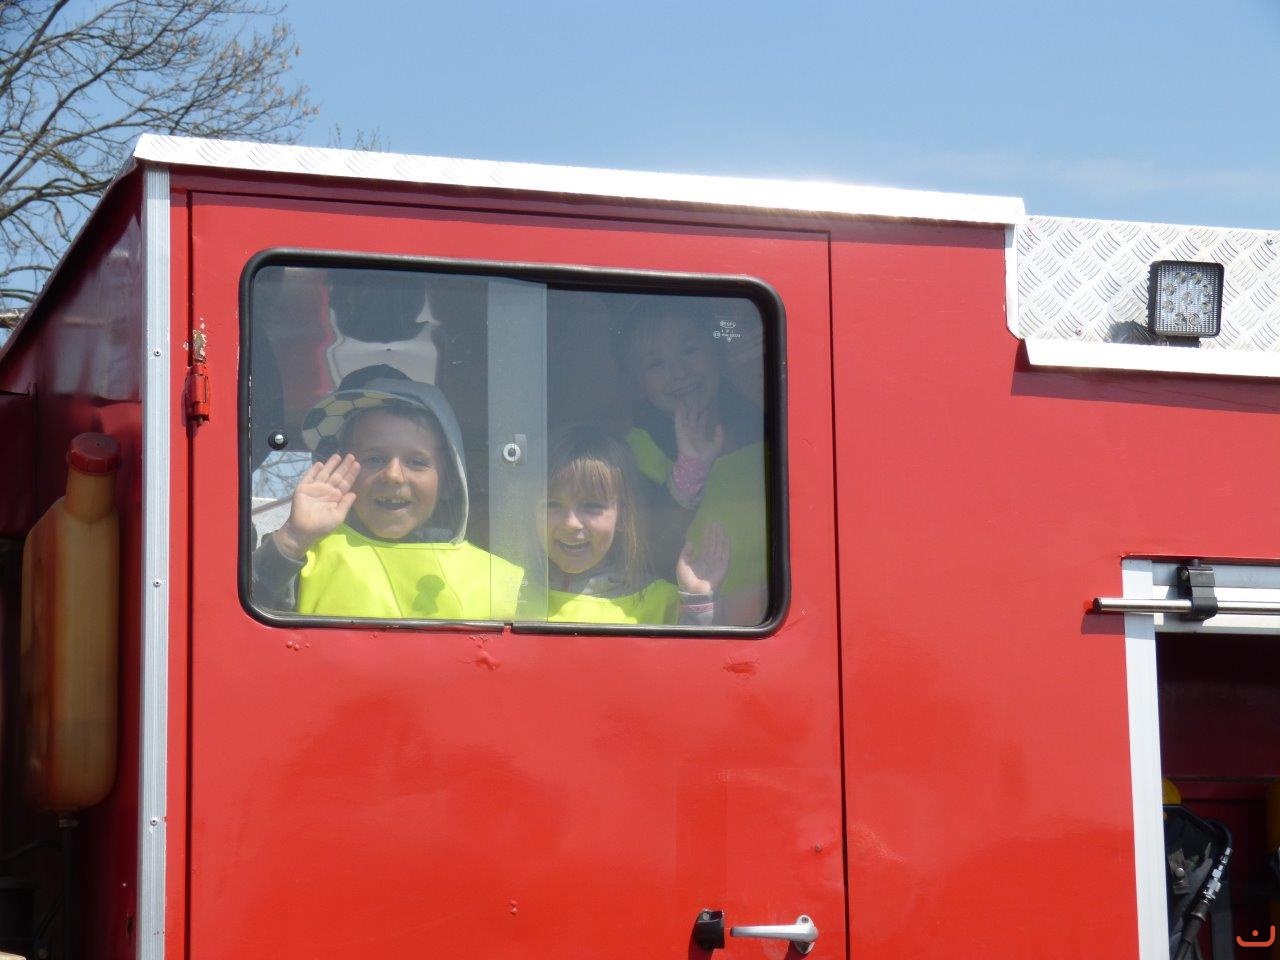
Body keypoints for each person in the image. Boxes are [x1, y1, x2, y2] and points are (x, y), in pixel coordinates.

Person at [252, 366, 522, 620]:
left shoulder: (498, 581)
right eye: (374, 459)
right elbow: (238, 619)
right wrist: (292, 539)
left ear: (450, 480)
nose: (393, 475)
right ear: (343, 473)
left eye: (416, 462)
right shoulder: (301, 558)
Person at [618, 302, 769, 626]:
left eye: (689, 351)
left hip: (769, 615)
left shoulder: (762, 425)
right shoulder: (635, 449)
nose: (678, 372)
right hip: (690, 622)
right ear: (637, 383)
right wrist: (691, 468)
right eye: (656, 364)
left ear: (718, 356)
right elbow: (647, 550)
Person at [522, 424, 728, 625]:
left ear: (623, 516)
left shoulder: (660, 601)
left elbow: (692, 650)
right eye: (552, 505)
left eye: (591, 506)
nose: (571, 523)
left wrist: (698, 602)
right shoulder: (512, 587)